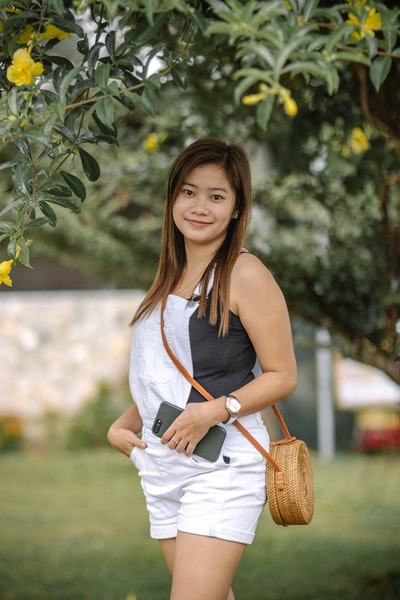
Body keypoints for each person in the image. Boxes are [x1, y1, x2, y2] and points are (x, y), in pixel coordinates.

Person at [107, 138, 297, 600]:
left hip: (221, 467)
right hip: (161, 465)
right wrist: (124, 425)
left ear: (236, 208)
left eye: (217, 196)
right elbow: (167, 377)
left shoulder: (244, 274)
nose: (199, 207)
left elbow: (282, 375)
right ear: (173, 196)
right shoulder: (169, 275)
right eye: (189, 192)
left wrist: (216, 410)